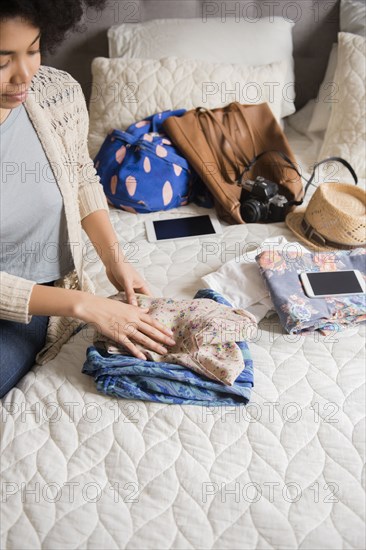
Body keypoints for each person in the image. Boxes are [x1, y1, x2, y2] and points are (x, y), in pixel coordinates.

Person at [0, 0, 176, 398]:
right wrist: (85, 305)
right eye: (2, 61)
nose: (25, 74)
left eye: (33, 49)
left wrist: (116, 258)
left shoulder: (56, 93)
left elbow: (79, 174)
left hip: (35, 302)